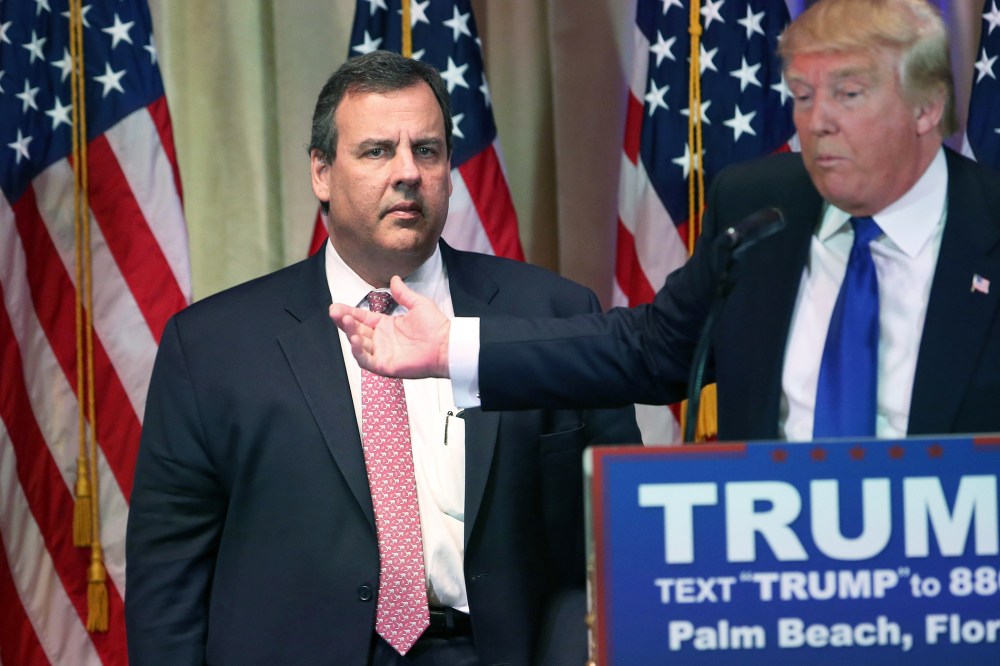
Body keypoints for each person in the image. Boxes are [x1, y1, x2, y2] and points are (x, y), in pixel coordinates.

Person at [125, 50, 640, 665]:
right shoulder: (213, 346)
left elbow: (618, 538)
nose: (408, 173)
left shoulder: (552, 314)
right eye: (377, 151)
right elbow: (168, 580)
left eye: (427, 150)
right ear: (321, 172)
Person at [331, 0, 1000, 442]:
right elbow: (648, 348)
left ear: (927, 107)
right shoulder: (762, 208)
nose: (817, 121)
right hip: (778, 582)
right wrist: (451, 348)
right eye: (802, 95)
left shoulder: (987, 224)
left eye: (848, 94)